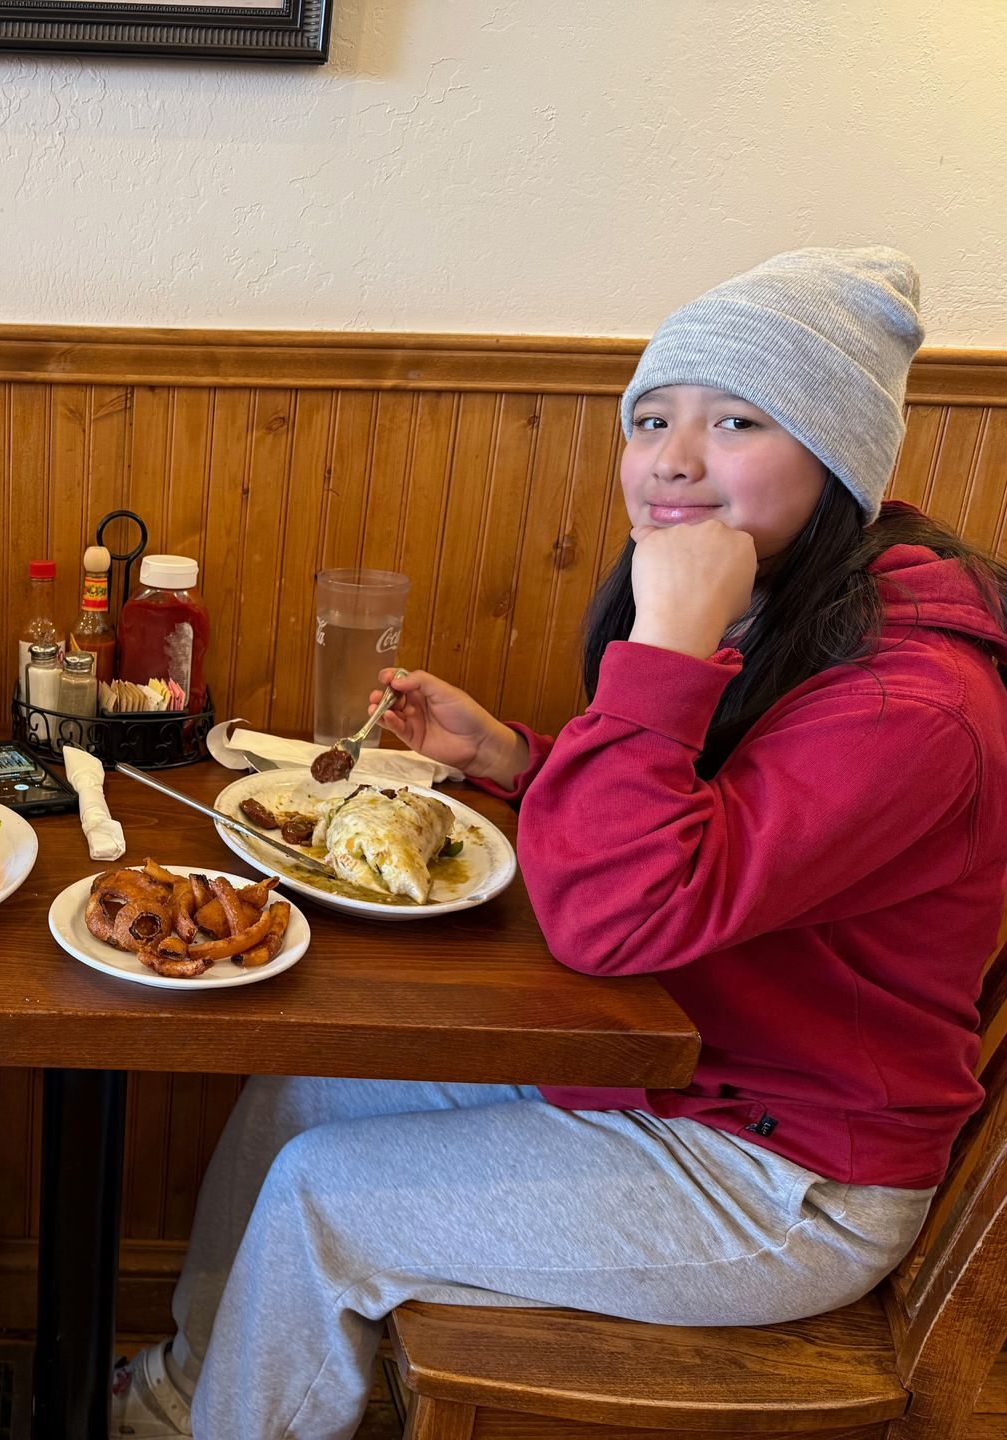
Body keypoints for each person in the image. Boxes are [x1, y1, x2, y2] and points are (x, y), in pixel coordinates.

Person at [112, 247, 1007, 1439]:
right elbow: (711, 844)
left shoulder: (915, 704)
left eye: (739, 419)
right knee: (307, 1084)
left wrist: (669, 642)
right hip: (676, 1068)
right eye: (651, 418)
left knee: (323, 1200)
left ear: (837, 454)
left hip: (783, 1175)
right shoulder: (803, 601)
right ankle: (188, 1397)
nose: (674, 458)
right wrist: (519, 761)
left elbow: (611, 919)